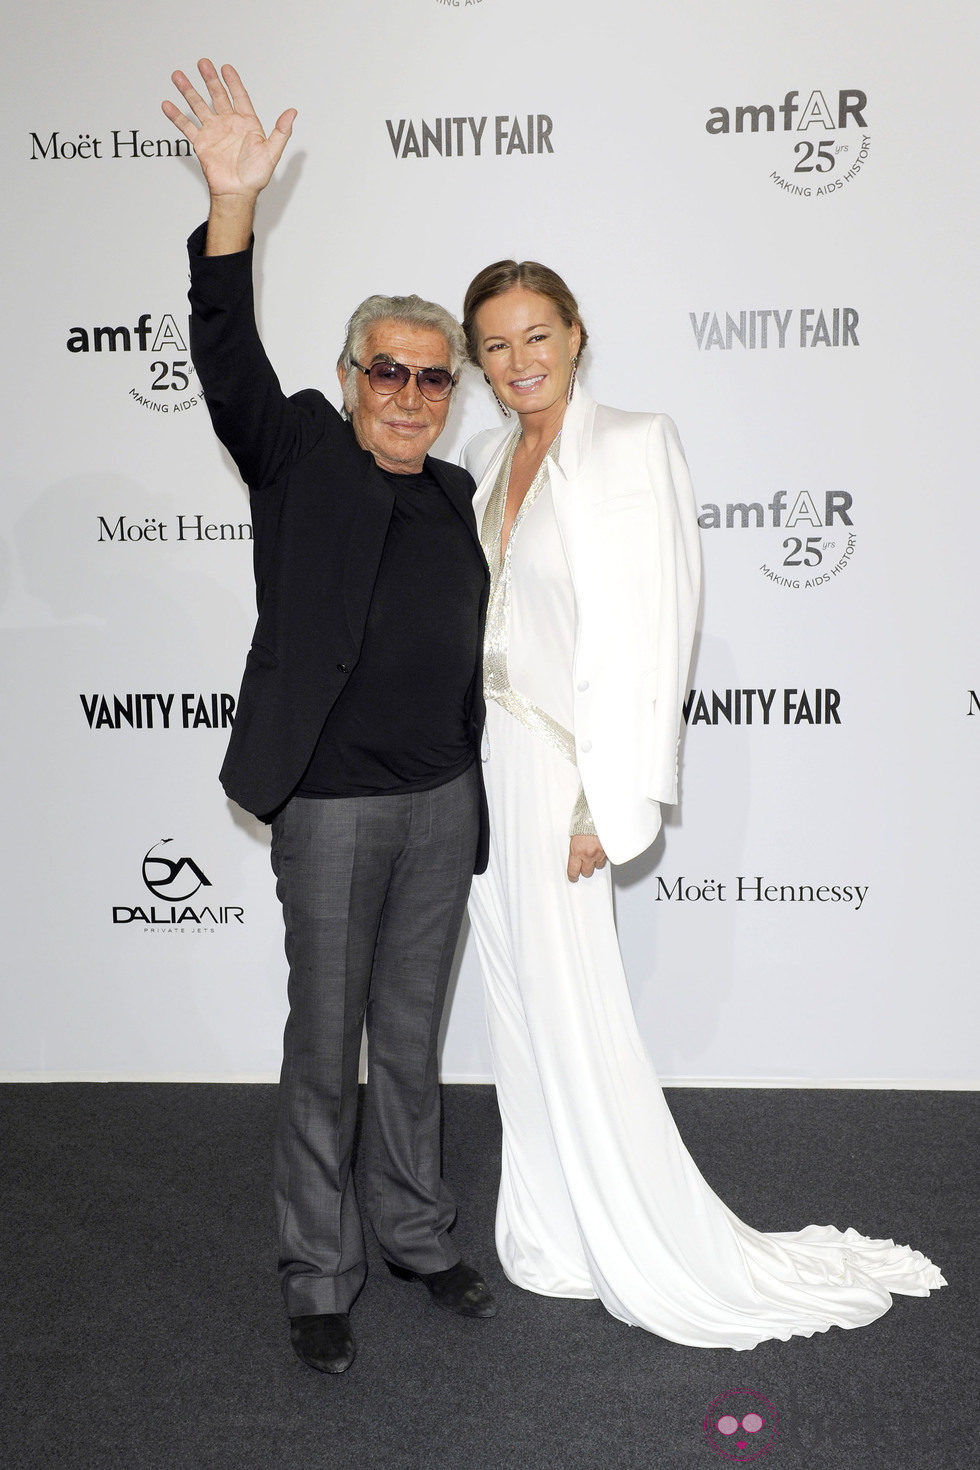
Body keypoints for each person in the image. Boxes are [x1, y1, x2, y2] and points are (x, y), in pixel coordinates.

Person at [460, 259, 945, 1347]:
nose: (519, 360)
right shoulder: (485, 456)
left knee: (576, 1012)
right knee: (515, 1012)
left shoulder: (634, 444)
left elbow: (653, 632)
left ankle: (639, 1236)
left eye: (538, 334)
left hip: (557, 772)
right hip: (476, 766)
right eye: (495, 343)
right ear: (478, 361)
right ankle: (549, 1231)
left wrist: (606, 795)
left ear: (577, 336)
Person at [162, 61, 496, 1376]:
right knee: (326, 1045)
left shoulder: (459, 491)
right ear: (349, 375)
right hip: (334, 808)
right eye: (389, 372)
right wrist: (232, 205)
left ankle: (416, 1230)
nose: (412, 394)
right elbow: (226, 355)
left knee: (412, 1039)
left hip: (439, 801)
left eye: (433, 378)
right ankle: (318, 1268)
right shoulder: (298, 446)